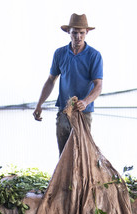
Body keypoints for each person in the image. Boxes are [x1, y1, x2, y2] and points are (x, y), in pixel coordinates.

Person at [33, 13, 104, 154]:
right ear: (68, 32)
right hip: (64, 111)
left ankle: (83, 177)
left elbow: (98, 85)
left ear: (87, 32)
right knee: (64, 154)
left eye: (82, 33)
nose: (78, 36)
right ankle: (65, 177)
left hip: (83, 113)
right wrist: (39, 104)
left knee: (83, 155)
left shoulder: (94, 55)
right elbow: (50, 80)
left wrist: (85, 101)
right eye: (74, 32)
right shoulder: (60, 54)